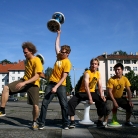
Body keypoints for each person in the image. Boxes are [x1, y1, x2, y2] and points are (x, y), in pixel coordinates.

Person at [0, 42, 43, 130]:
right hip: (24, 80)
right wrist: (23, 82)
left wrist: (24, 83)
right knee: (6, 87)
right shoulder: (26, 60)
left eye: (26, 52)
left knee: (35, 105)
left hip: (33, 84)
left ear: (31, 51)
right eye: (23, 52)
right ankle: (2, 110)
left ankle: (34, 122)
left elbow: (37, 76)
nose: (24, 54)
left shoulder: (37, 60)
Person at [37, 30, 72, 130]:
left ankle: (65, 123)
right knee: (44, 103)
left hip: (61, 85)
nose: (61, 52)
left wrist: (56, 87)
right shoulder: (59, 56)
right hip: (51, 83)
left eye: (63, 52)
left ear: (68, 53)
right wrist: (59, 34)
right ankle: (41, 122)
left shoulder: (67, 63)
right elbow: (56, 44)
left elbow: (64, 77)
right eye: (61, 51)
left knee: (64, 104)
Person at [68, 58, 110, 128]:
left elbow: (100, 86)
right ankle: (72, 121)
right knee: (70, 102)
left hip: (92, 92)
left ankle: (99, 121)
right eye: (92, 64)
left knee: (102, 102)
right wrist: (90, 98)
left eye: (95, 64)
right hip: (82, 92)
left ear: (98, 65)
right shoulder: (87, 73)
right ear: (90, 65)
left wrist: (102, 95)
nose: (93, 65)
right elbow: (86, 86)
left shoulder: (98, 74)